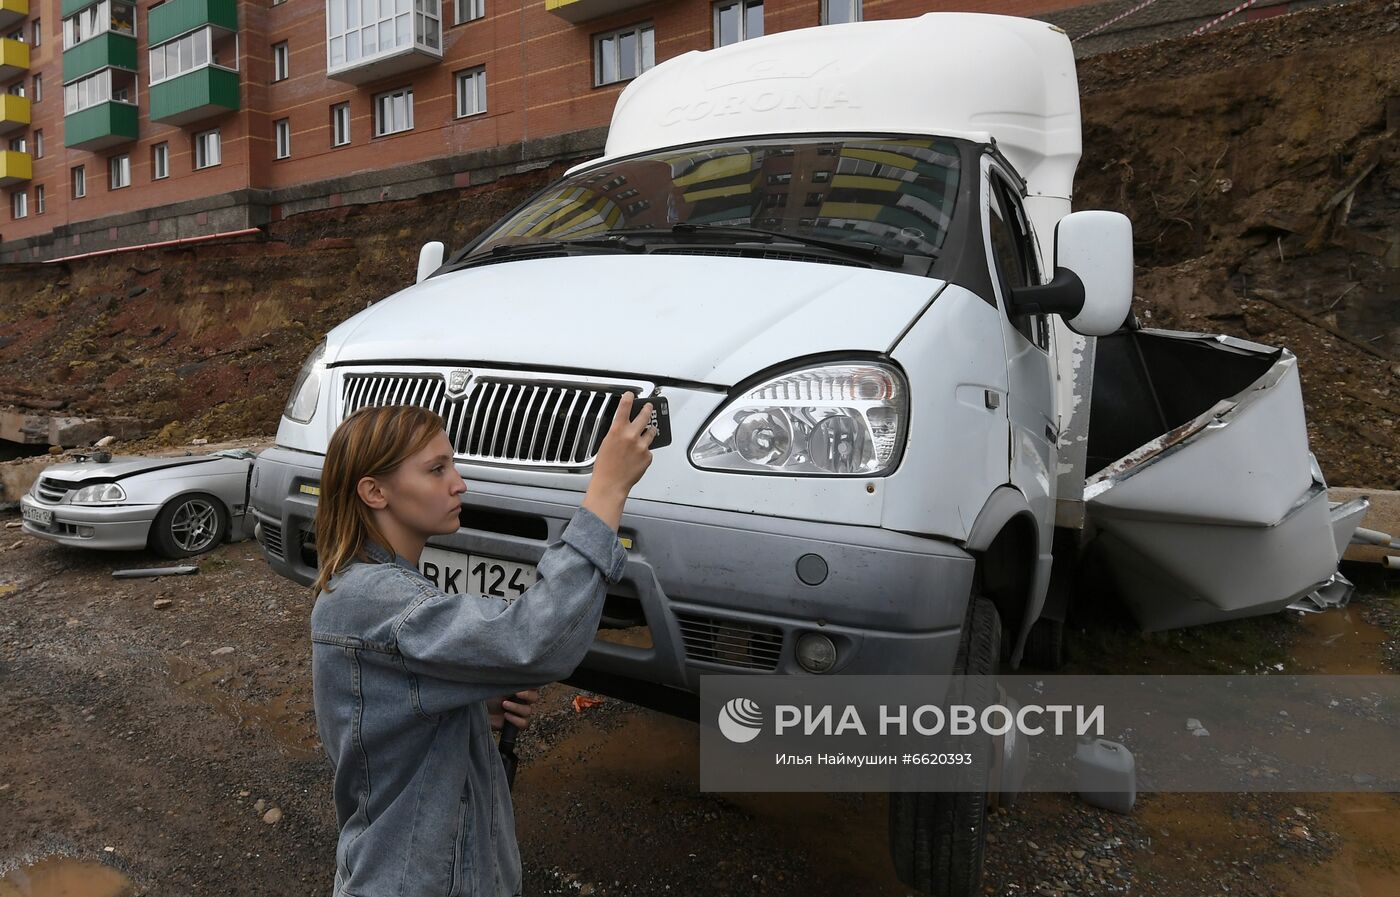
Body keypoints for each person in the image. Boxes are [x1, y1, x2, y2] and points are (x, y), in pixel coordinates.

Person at [309, 390, 656, 897]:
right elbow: (535, 643)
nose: (459, 483)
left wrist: (469, 702)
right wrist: (606, 492)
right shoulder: (373, 598)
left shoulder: (376, 587)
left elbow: (390, 716)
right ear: (374, 492)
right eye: (436, 470)